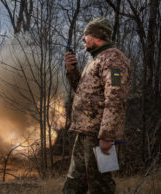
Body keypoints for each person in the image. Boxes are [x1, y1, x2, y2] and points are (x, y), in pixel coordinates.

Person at [62, 17, 130, 194]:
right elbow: (83, 92)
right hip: (84, 133)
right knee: (73, 184)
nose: (83, 39)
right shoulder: (95, 60)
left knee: (101, 186)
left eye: (86, 35)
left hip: (99, 136)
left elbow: (116, 97)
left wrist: (107, 135)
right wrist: (72, 70)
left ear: (96, 36)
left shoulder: (114, 60)